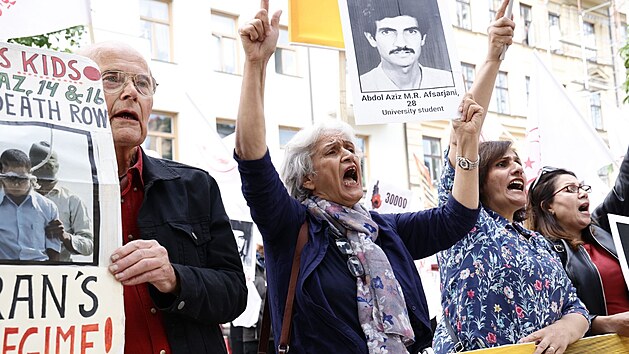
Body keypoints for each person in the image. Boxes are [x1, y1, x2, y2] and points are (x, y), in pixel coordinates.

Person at [236, 1, 482, 352]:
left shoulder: (385, 230)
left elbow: (456, 218)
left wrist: (468, 143)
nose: (349, 155)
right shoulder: (290, 227)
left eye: (351, 148)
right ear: (307, 178)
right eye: (332, 151)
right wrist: (256, 64)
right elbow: (253, 161)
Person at [433, 2, 589, 354]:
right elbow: (463, 136)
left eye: (518, 162)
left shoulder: (538, 244)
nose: (517, 168)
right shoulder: (463, 224)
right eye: (502, 164)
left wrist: (565, 329)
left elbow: (576, 309)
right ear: (478, 177)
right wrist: (492, 58)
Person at [79, 41, 247, 353]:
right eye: (112, 78)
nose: (131, 92)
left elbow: (235, 295)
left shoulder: (196, 186)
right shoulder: (44, 192)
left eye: (142, 83)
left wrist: (174, 279)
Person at [526, 166, 629, 336]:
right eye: (570, 189)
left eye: (582, 187)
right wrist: (604, 324)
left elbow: (625, 184)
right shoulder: (540, 253)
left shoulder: (603, 229)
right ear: (548, 206)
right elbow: (549, 317)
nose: (582, 193)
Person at [358, 0, 453, 92]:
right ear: (371, 38)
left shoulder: (448, 82)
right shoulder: (361, 87)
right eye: (387, 32)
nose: (401, 43)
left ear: (423, 38)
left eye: (411, 32)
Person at [29, 141, 94, 262]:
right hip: (20, 271)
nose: (44, 168)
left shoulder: (72, 201)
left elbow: (89, 245)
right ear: (30, 166)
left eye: (49, 164)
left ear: (57, 166)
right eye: (39, 164)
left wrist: (65, 237)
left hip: (60, 274)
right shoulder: (16, 197)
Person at [0, 148, 61, 261]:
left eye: (22, 179)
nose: (16, 184)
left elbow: (54, 250)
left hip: (38, 271)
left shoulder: (47, 207)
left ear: (30, 175)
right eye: (11, 178)